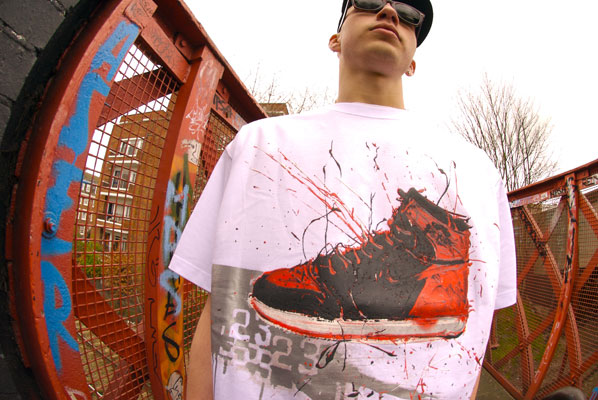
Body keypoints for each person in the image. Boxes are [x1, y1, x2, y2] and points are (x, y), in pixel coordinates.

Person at [169, 0, 517, 398]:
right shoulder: (258, 142)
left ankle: (408, 276)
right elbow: (220, 307)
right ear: (334, 40)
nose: (389, 12)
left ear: (413, 63)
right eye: (368, 2)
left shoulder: (477, 170)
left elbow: (472, 345)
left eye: (409, 16)